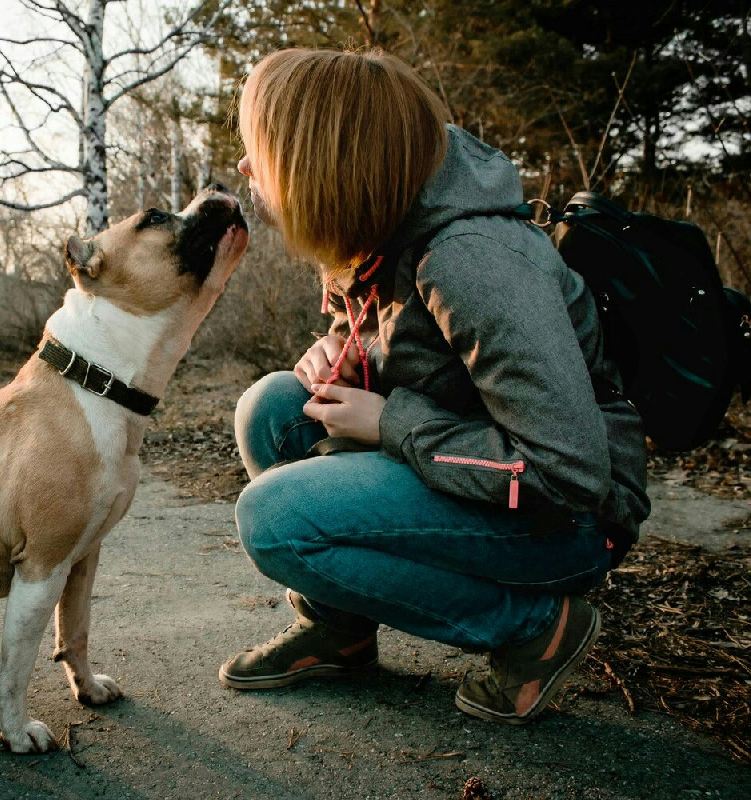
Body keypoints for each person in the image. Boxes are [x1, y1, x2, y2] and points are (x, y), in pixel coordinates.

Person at [220, 48, 650, 724]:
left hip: (567, 523)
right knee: (273, 410)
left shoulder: (472, 260)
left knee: (275, 521)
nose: (246, 167)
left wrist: (390, 423)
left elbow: (568, 471)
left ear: (323, 161)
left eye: (262, 151)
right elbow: (406, 344)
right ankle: (343, 630)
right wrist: (345, 350)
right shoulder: (377, 222)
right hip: (483, 468)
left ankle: (533, 628)